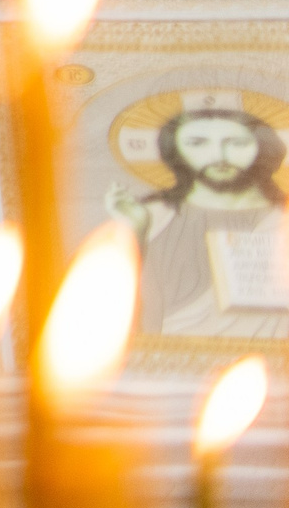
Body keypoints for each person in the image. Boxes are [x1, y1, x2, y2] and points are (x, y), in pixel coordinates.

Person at [109, 93, 288, 339]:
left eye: (236, 143)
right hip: (171, 363)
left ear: (263, 148)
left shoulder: (282, 218)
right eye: (197, 143)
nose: (219, 156)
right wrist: (135, 230)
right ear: (176, 151)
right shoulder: (154, 215)